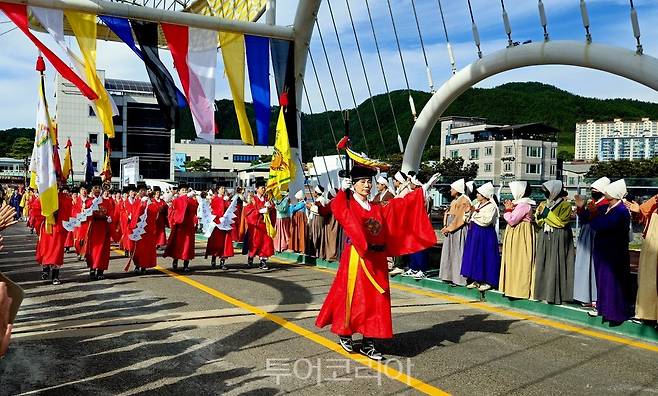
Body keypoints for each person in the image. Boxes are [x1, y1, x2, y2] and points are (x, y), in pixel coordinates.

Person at [316, 161, 438, 361]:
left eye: (369, 181)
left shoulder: (376, 206)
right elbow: (337, 209)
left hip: (378, 260)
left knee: (376, 301)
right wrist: (341, 191)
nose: (367, 185)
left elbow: (399, 206)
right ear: (353, 184)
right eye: (363, 182)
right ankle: (345, 332)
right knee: (353, 296)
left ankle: (369, 341)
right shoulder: (348, 203)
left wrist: (421, 191)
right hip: (357, 258)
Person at [575, 179, 633, 323]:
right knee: (604, 282)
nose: (605, 192)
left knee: (612, 282)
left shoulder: (620, 211)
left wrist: (593, 214)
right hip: (605, 251)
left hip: (612, 253)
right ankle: (606, 310)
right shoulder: (612, 208)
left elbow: (602, 225)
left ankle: (615, 313)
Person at [534, 180, 575, 304]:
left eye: (547, 191)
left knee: (557, 263)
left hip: (559, 237)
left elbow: (560, 222)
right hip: (545, 235)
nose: (545, 194)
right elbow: (538, 220)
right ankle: (543, 293)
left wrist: (545, 214)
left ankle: (557, 295)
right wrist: (545, 216)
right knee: (543, 263)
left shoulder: (565, 205)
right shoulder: (543, 203)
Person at [573, 177, 610, 307]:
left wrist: (589, 211)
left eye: (595, 190)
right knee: (584, 264)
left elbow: (594, 219)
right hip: (587, 234)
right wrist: (581, 208)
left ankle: (594, 296)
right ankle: (585, 295)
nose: (593, 192)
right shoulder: (595, 202)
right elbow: (584, 218)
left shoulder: (605, 204)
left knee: (592, 265)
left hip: (594, 235)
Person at [460, 182, 501, 292]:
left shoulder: (492, 207)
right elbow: (467, 218)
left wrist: (474, 214)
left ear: (484, 195)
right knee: (474, 255)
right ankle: (476, 279)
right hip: (474, 233)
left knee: (485, 256)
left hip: (485, 234)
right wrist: (468, 213)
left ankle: (488, 281)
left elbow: (486, 221)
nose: (477, 195)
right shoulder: (476, 205)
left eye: (479, 193)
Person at [499, 181, 536, 299]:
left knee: (520, 262)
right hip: (517, 234)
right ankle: (513, 288)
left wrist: (508, 210)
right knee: (514, 261)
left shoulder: (524, 205)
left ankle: (520, 290)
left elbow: (512, 220)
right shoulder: (520, 204)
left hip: (521, 235)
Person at [625, 193, 658, 322]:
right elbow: (642, 213)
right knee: (648, 275)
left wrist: (639, 210)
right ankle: (647, 313)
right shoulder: (655, 199)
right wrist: (637, 211)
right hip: (652, 241)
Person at [36, 184, 73, 285]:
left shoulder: (65, 198)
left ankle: (55, 276)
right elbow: (36, 211)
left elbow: (68, 213)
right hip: (47, 227)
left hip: (58, 228)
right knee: (45, 250)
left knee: (57, 251)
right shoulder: (44, 195)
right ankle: (45, 268)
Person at [439, 179, 471, 286]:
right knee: (451, 253)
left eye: (452, 188)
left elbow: (460, 218)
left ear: (457, 190)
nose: (450, 190)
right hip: (452, 230)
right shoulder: (456, 201)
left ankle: (459, 279)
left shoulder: (464, 200)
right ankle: (450, 276)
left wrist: (449, 228)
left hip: (458, 230)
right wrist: (446, 226)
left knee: (458, 253)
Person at [85, 178, 115, 280]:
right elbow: (87, 213)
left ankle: (100, 270)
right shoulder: (88, 201)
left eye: (98, 188)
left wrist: (110, 218)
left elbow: (110, 212)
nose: (97, 190)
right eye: (95, 188)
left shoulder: (106, 202)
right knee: (93, 249)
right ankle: (92, 268)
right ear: (92, 189)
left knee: (103, 250)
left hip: (104, 228)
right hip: (94, 227)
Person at [164, 184, 199, 272]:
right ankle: (175, 260)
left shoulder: (191, 200)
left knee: (187, 245)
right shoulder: (176, 200)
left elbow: (194, 210)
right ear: (179, 192)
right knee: (178, 245)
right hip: (179, 225)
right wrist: (186, 197)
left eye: (185, 190)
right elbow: (179, 208)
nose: (184, 191)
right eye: (182, 190)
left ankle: (186, 264)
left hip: (188, 226)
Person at [243, 180, 274, 270]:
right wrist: (259, 211)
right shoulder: (253, 199)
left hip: (265, 225)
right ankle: (250, 258)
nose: (264, 189)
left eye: (264, 187)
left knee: (266, 243)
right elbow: (248, 212)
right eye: (262, 188)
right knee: (254, 243)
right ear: (257, 189)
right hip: (255, 226)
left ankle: (263, 261)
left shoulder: (267, 199)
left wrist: (270, 207)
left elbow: (272, 210)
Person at [130, 190, 160, 274]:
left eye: (144, 190)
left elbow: (155, 212)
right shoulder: (136, 202)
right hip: (137, 229)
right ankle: (137, 265)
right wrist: (141, 205)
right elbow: (134, 214)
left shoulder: (151, 202)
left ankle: (144, 266)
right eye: (140, 190)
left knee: (145, 249)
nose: (142, 192)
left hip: (147, 230)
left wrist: (149, 203)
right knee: (136, 249)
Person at [205, 185, 234, 269]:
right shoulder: (214, 199)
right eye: (221, 188)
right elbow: (214, 211)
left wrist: (227, 202)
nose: (223, 190)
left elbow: (230, 211)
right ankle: (214, 258)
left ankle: (222, 261)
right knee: (216, 242)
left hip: (225, 225)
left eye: (224, 188)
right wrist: (222, 201)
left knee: (225, 243)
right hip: (217, 224)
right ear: (217, 190)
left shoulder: (226, 199)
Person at [306, 185, 327, 257]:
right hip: (315, 218)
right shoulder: (319, 199)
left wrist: (311, 207)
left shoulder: (321, 200)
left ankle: (317, 252)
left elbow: (319, 210)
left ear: (317, 192)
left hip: (318, 219)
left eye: (314, 192)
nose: (313, 193)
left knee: (317, 234)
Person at [73, 185, 91, 259]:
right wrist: (79, 213)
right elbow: (73, 211)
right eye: (82, 189)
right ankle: (79, 252)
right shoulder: (76, 200)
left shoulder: (90, 200)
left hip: (87, 222)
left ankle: (85, 253)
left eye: (85, 189)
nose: (84, 191)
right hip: (79, 222)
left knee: (87, 239)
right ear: (80, 191)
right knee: (78, 240)